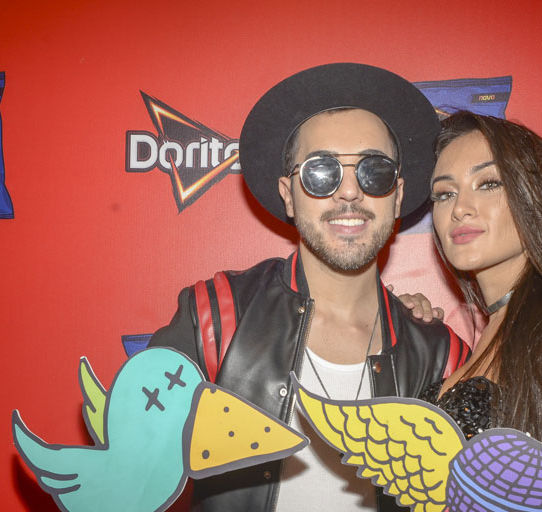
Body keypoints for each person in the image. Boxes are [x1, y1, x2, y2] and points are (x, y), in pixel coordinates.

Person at [147, 63, 470, 512]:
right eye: (321, 172)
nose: (349, 192)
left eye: (374, 171)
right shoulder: (215, 316)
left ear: (397, 195)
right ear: (288, 194)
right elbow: (133, 472)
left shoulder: (440, 357)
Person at [421, 110, 542, 448]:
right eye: (445, 193)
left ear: (534, 194)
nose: (460, 208)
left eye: (488, 183)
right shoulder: (497, 329)